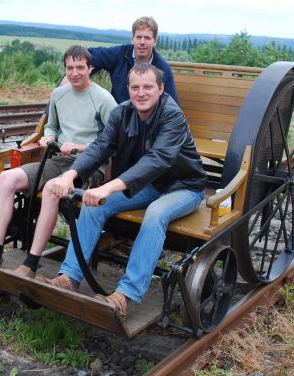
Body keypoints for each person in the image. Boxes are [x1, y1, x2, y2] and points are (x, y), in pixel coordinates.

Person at [16, 63, 206, 318]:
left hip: (182, 186)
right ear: (127, 89)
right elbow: (99, 148)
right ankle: (69, 277)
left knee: (155, 215)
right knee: (93, 208)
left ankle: (125, 295)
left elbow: (157, 160)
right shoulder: (122, 113)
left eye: (148, 87)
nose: (141, 93)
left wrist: (108, 186)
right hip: (147, 185)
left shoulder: (173, 116)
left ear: (161, 89)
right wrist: (71, 174)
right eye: (135, 87)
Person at [0, 45, 117, 268]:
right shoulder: (58, 95)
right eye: (69, 68)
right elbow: (51, 126)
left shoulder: (104, 99)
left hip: (89, 165)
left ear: (90, 68)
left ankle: (31, 263)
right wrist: (48, 137)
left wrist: (80, 147)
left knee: (52, 188)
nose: (74, 73)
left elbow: (113, 142)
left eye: (80, 67)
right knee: (7, 179)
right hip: (58, 159)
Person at [79, 16, 178, 104]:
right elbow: (89, 55)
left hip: (148, 121)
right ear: (132, 39)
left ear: (155, 41)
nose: (142, 42)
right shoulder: (120, 55)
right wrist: (72, 75)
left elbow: (172, 106)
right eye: (139, 37)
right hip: (118, 119)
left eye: (147, 38)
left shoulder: (163, 68)